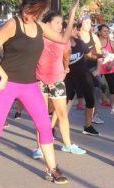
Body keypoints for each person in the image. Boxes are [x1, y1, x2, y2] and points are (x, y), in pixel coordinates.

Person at [0, 0, 79, 188]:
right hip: (6, 85)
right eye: (27, 9)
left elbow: (63, 39)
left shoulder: (41, 27)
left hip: (30, 85)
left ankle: (52, 169)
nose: (28, 14)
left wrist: (72, 14)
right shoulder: (12, 24)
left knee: (44, 126)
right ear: (22, 6)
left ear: (40, 12)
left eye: (34, 12)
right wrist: (3, 76)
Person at [32, 11, 85, 158]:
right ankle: (39, 148)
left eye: (61, 23)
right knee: (41, 115)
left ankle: (67, 145)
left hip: (57, 81)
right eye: (57, 22)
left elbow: (66, 54)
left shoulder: (64, 39)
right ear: (47, 24)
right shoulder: (39, 37)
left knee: (62, 113)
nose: (60, 26)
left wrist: (66, 67)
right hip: (40, 80)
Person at [65, 23, 101, 136]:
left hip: (84, 75)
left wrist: (101, 55)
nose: (76, 30)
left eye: (76, 28)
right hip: (68, 78)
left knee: (90, 100)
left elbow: (90, 54)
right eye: (74, 28)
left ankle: (88, 126)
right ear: (65, 29)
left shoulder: (80, 42)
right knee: (64, 104)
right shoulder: (61, 44)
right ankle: (53, 127)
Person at [96, 24, 114, 114]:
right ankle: (100, 104)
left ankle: (113, 107)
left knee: (112, 87)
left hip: (109, 68)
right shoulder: (96, 42)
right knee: (97, 87)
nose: (107, 33)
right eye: (104, 31)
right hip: (98, 68)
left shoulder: (111, 42)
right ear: (99, 32)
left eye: (108, 31)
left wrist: (111, 64)